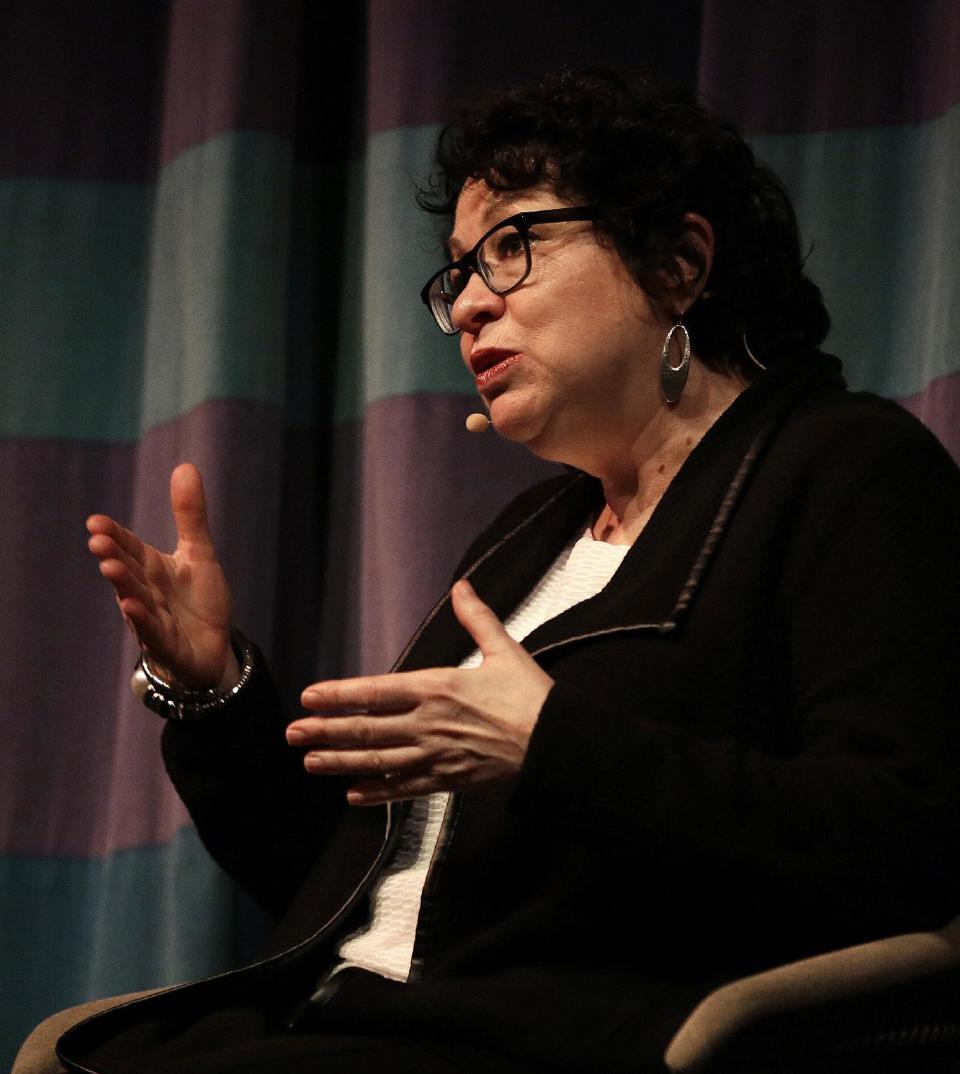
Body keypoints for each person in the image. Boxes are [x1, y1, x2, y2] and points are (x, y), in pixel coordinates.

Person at [20, 67, 960, 1074]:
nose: (467, 304)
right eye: (458, 270)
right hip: (349, 1022)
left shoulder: (848, 471)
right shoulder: (529, 539)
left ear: (681, 263)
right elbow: (344, 886)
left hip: (557, 1040)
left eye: (513, 246)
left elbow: (903, 841)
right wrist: (214, 697)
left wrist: (554, 746)